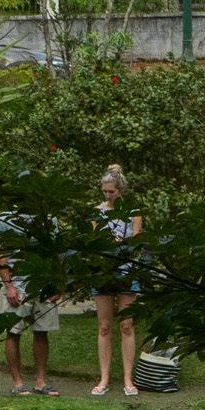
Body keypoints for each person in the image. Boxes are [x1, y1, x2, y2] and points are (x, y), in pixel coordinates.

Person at [90, 164, 143, 397]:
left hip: (126, 271)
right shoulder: (97, 211)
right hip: (102, 271)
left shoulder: (134, 211)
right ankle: (104, 378)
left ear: (120, 189)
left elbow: (136, 241)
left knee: (127, 325)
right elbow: (94, 241)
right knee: (104, 326)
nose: (107, 195)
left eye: (111, 191)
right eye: (104, 191)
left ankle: (128, 379)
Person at [0, 210, 61, 395]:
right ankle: (18, 383)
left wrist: (56, 283)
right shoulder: (6, 216)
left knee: (42, 332)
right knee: (13, 332)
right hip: (18, 285)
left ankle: (41, 382)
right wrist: (9, 286)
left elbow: (55, 251)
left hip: (43, 286)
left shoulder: (48, 215)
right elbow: (0, 255)